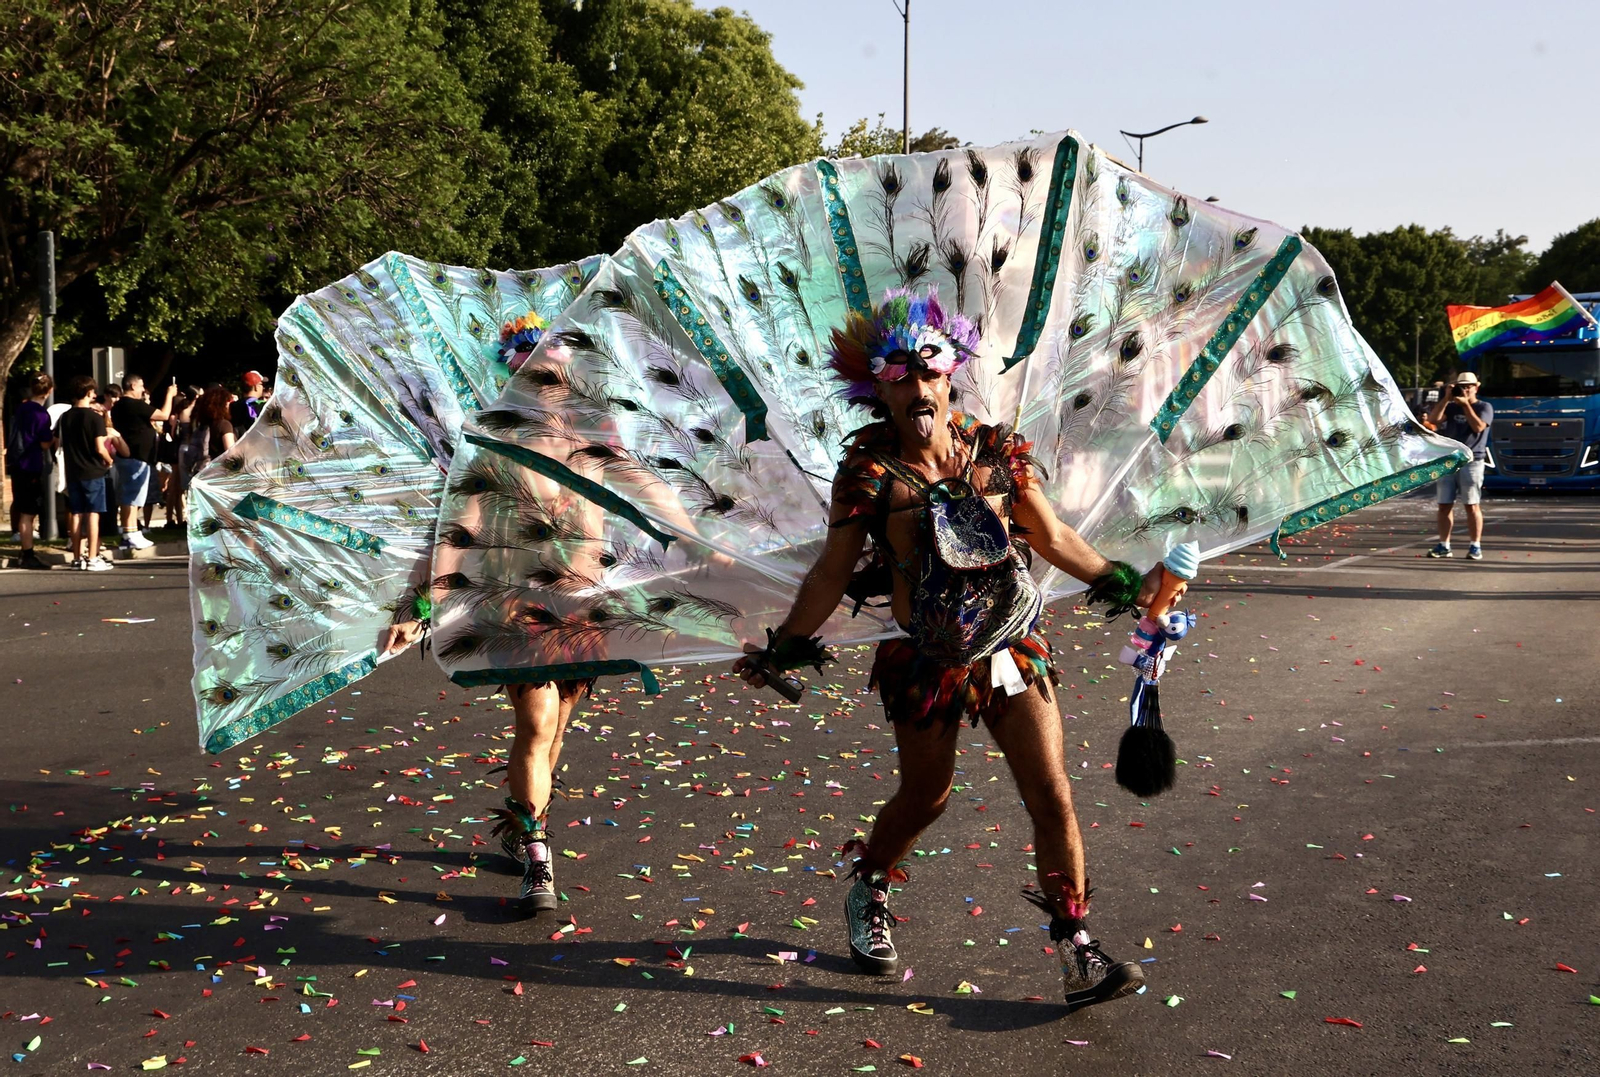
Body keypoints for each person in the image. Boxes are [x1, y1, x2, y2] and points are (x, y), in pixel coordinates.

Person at [732, 289, 1160, 1010]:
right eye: (900, 376)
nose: (918, 386)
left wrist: (1121, 580)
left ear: (950, 373)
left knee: (1050, 791)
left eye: (928, 370)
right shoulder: (867, 474)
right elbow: (832, 572)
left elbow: (1051, 537)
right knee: (927, 795)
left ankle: (1077, 946)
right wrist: (785, 647)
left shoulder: (993, 452)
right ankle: (869, 884)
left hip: (1011, 646)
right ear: (880, 389)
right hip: (926, 661)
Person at [380, 617, 591, 915]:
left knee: (556, 726)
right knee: (537, 726)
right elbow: (454, 571)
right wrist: (420, 619)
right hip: (515, 611)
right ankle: (536, 849)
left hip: (578, 610)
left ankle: (524, 824)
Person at [1426, 371, 1492, 560]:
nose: (1465, 389)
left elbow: (1478, 427)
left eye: (1468, 386)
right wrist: (1447, 399)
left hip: (1472, 461)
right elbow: (1433, 420)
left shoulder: (1484, 407)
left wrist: (1466, 406)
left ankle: (1475, 545)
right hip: (1449, 460)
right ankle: (1444, 545)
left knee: (1471, 504)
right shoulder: (1452, 407)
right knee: (1444, 505)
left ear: (1476, 387)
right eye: (1461, 386)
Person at [54, 375, 116, 571]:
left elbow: (58, 443)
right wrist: (109, 460)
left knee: (77, 513)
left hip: (73, 471)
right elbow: (100, 447)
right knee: (93, 514)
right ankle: (92, 557)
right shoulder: (94, 418)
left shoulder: (65, 417)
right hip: (93, 470)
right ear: (89, 393)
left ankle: (77, 557)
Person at [110, 374, 178, 550]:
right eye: (140, 386)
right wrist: (170, 395)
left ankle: (129, 533)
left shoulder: (118, 406)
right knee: (133, 498)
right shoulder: (134, 404)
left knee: (129, 497)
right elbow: (163, 415)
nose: (142, 390)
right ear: (132, 386)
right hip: (136, 457)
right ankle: (131, 532)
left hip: (127, 456)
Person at [5, 373, 57, 570]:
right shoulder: (41, 414)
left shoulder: (21, 408)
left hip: (18, 463)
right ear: (49, 390)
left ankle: (25, 550)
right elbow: (44, 443)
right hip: (31, 464)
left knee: (22, 507)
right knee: (28, 512)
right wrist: (53, 436)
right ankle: (27, 553)